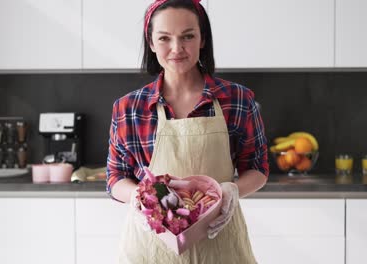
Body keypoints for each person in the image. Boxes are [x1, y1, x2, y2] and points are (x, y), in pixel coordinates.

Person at [106, 0, 268, 263]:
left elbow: (258, 168)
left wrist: (230, 192)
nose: (176, 48)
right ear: (150, 43)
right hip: (149, 250)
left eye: (188, 36)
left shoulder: (237, 99)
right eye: (164, 38)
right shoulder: (129, 108)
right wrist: (138, 196)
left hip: (221, 246)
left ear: (203, 38)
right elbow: (115, 177)